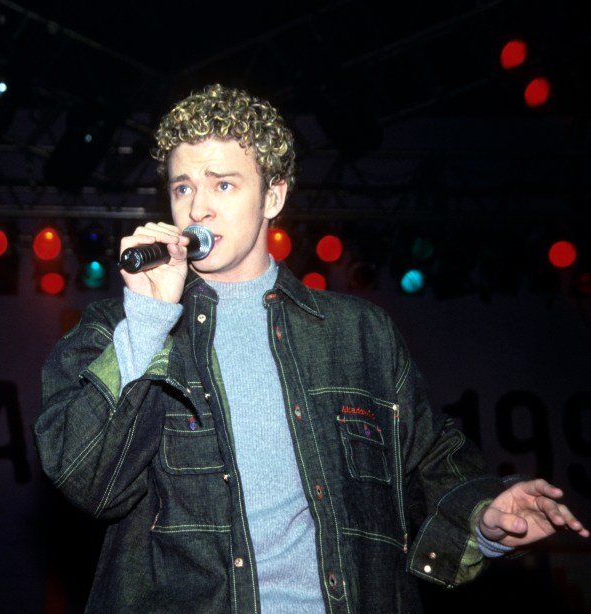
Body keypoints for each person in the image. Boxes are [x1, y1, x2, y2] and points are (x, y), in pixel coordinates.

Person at [32, 83, 588, 613]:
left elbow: (427, 464)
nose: (197, 207)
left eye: (223, 184)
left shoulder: (357, 333)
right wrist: (151, 322)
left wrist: (486, 518)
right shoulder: (120, 328)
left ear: (273, 196)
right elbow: (89, 484)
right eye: (183, 187)